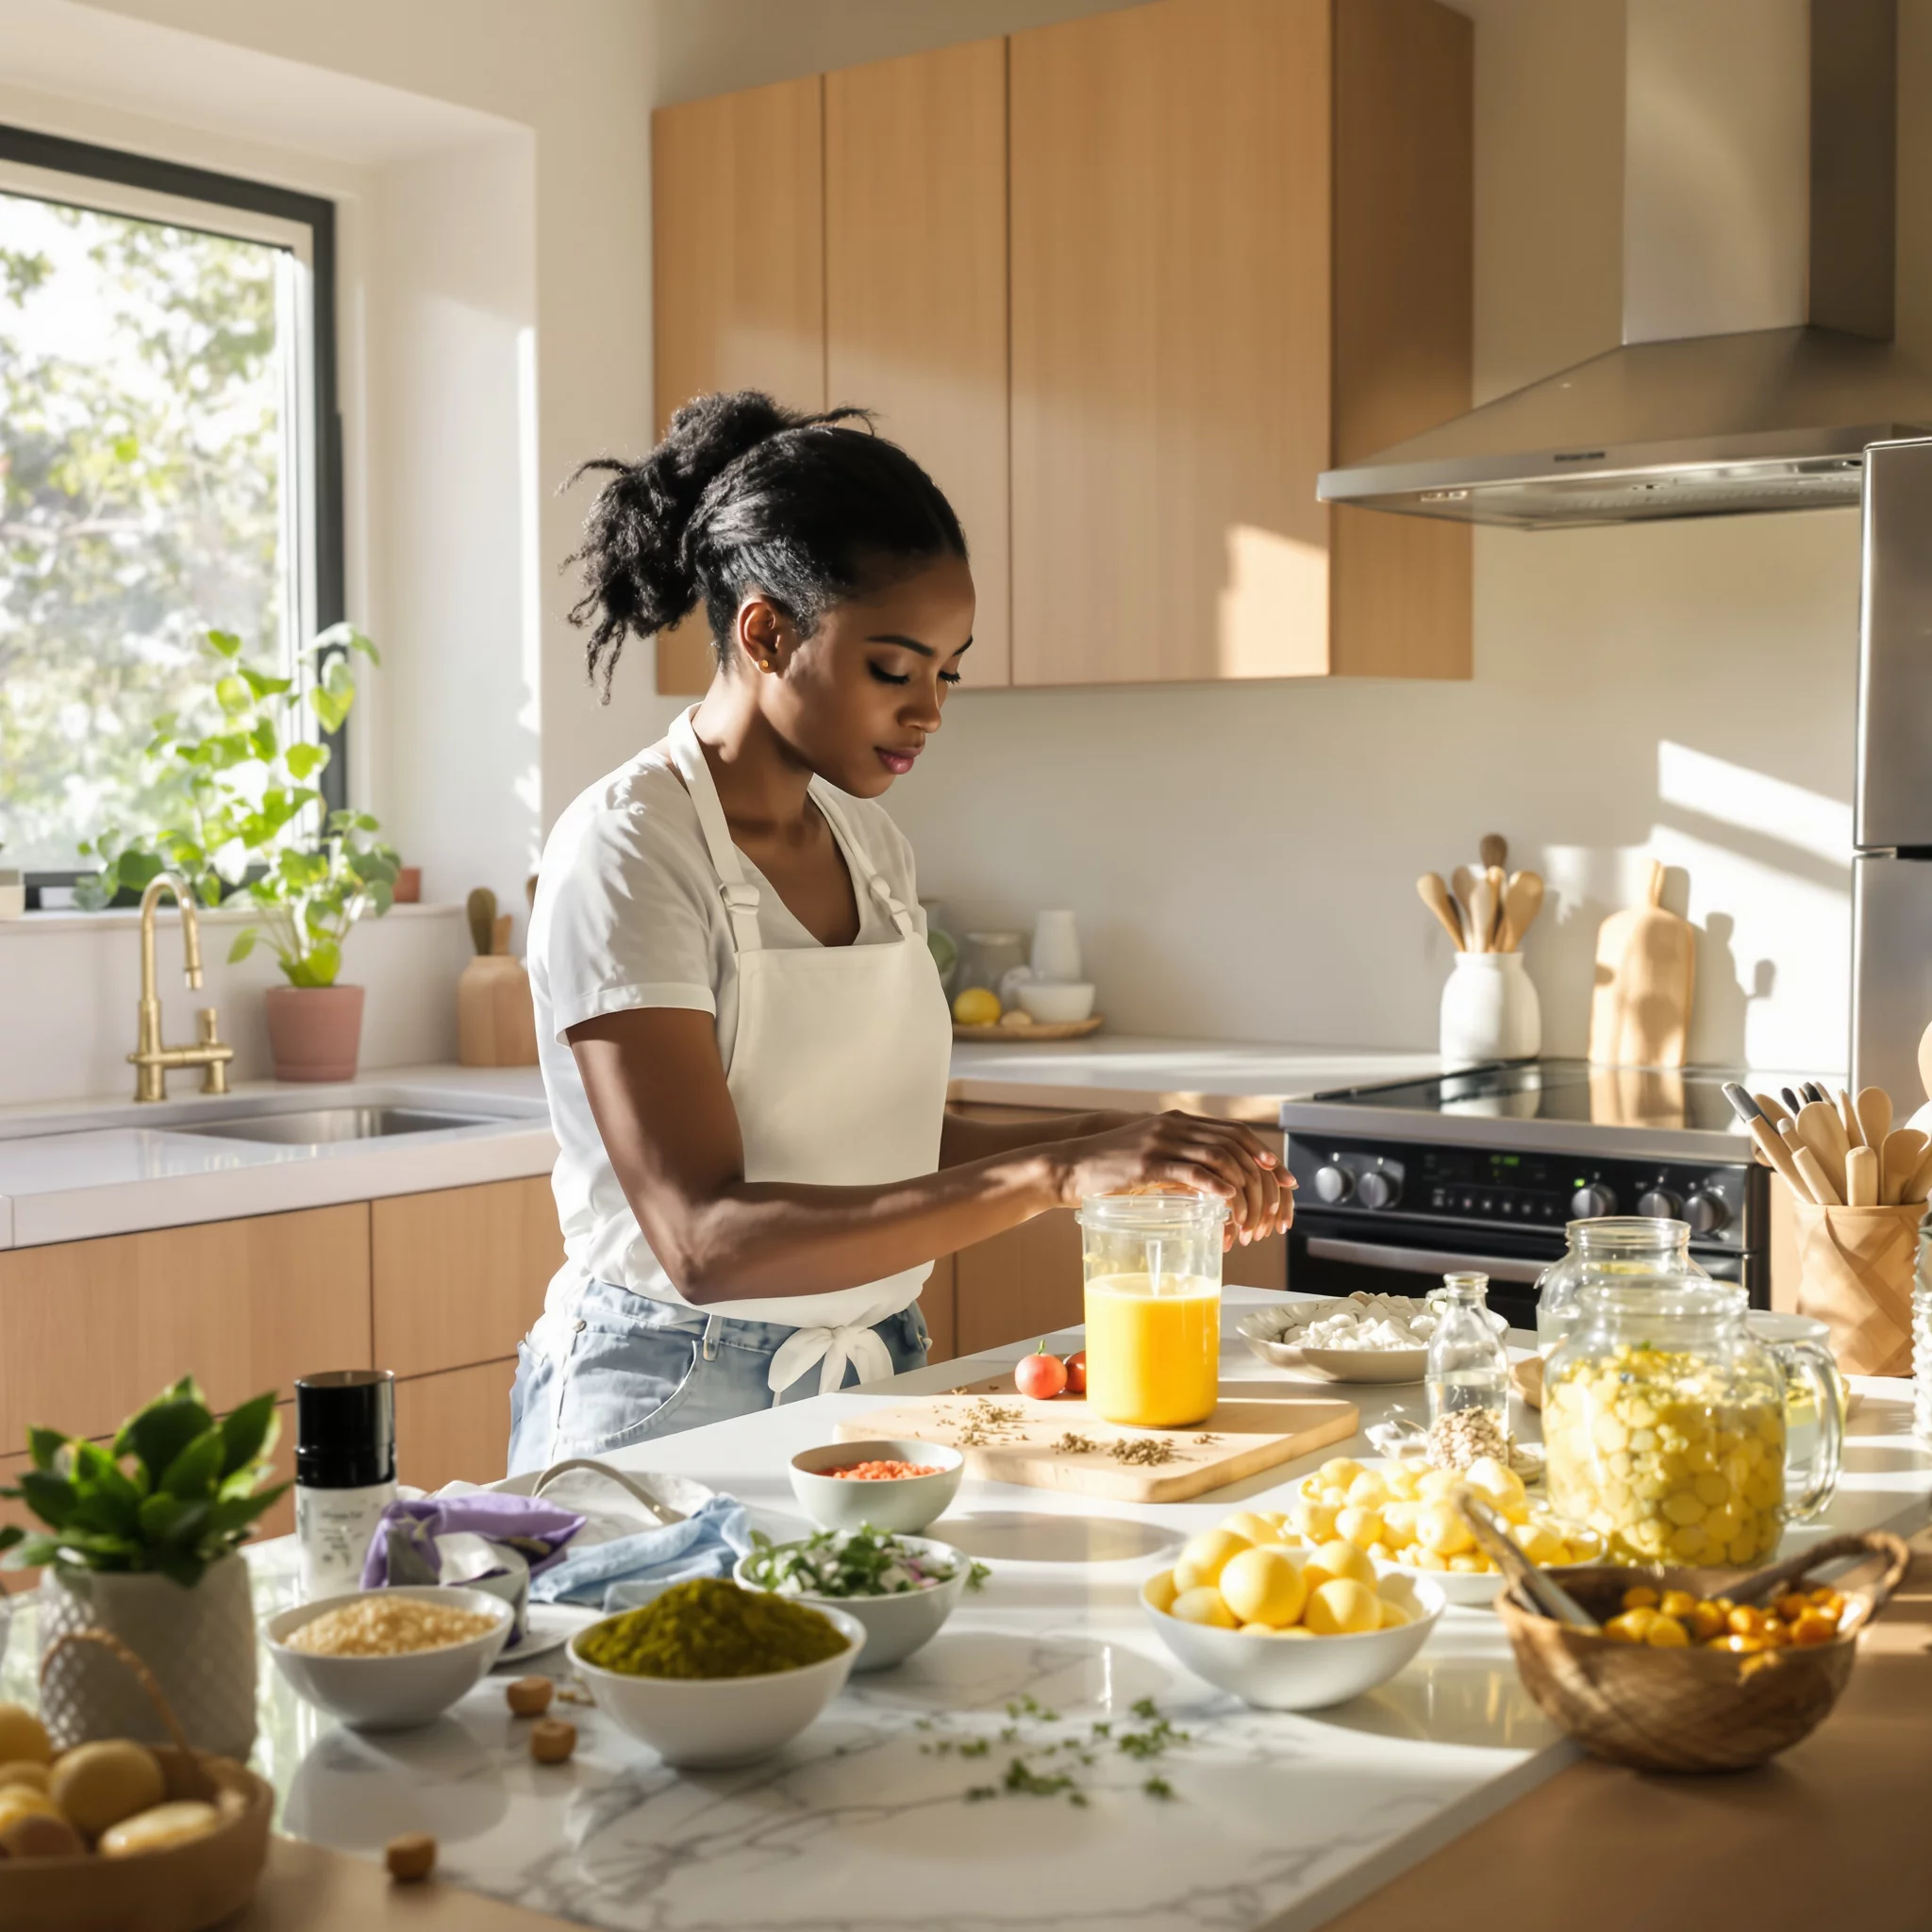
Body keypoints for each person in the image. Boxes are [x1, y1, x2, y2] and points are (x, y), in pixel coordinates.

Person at [506, 391, 1293, 1470]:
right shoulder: (629, 850)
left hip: (875, 1378)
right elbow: (699, 1239)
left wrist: (1128, 1154)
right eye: (894, 667)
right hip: (667, 1395)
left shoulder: (868, 845)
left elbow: (885, 1143)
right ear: (766, 630)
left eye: (946, 669)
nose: (928, 710)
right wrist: (1056, 1177)